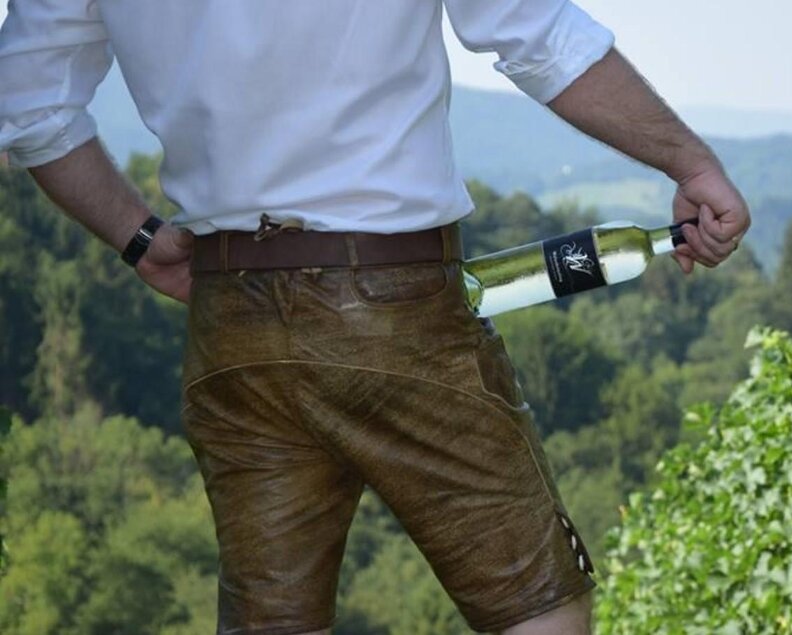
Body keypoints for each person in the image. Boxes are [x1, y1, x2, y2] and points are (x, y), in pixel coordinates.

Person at [0, 0, 750, 633]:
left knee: (270, 620)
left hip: (232, 319)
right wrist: (691, 164)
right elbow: (538, 32)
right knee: (537, 604)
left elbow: (29, 105)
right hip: (393, 305)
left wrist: (139, 240)